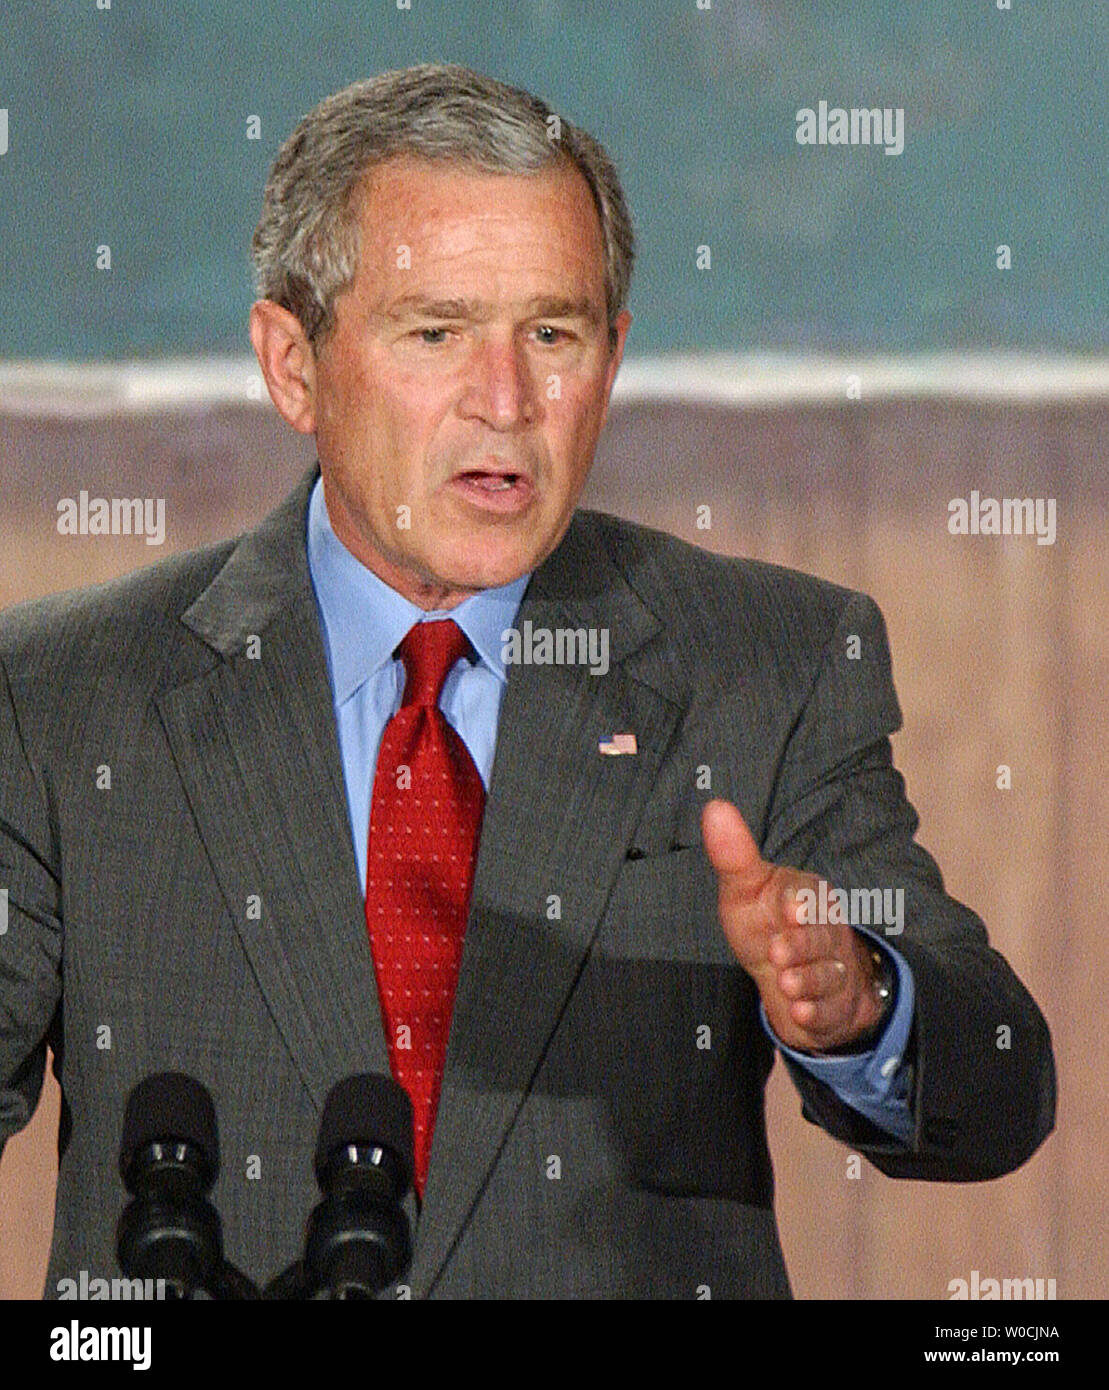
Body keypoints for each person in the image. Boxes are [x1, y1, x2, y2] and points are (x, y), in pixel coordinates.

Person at [0, 63, 1054, 1300]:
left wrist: (861, 998)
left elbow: (997, 1082)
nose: (505, 403)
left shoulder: (762, 662)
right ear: (293, 365)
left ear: (611, 356)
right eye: (436, 332)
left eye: (551, 334)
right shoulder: (65, 695)